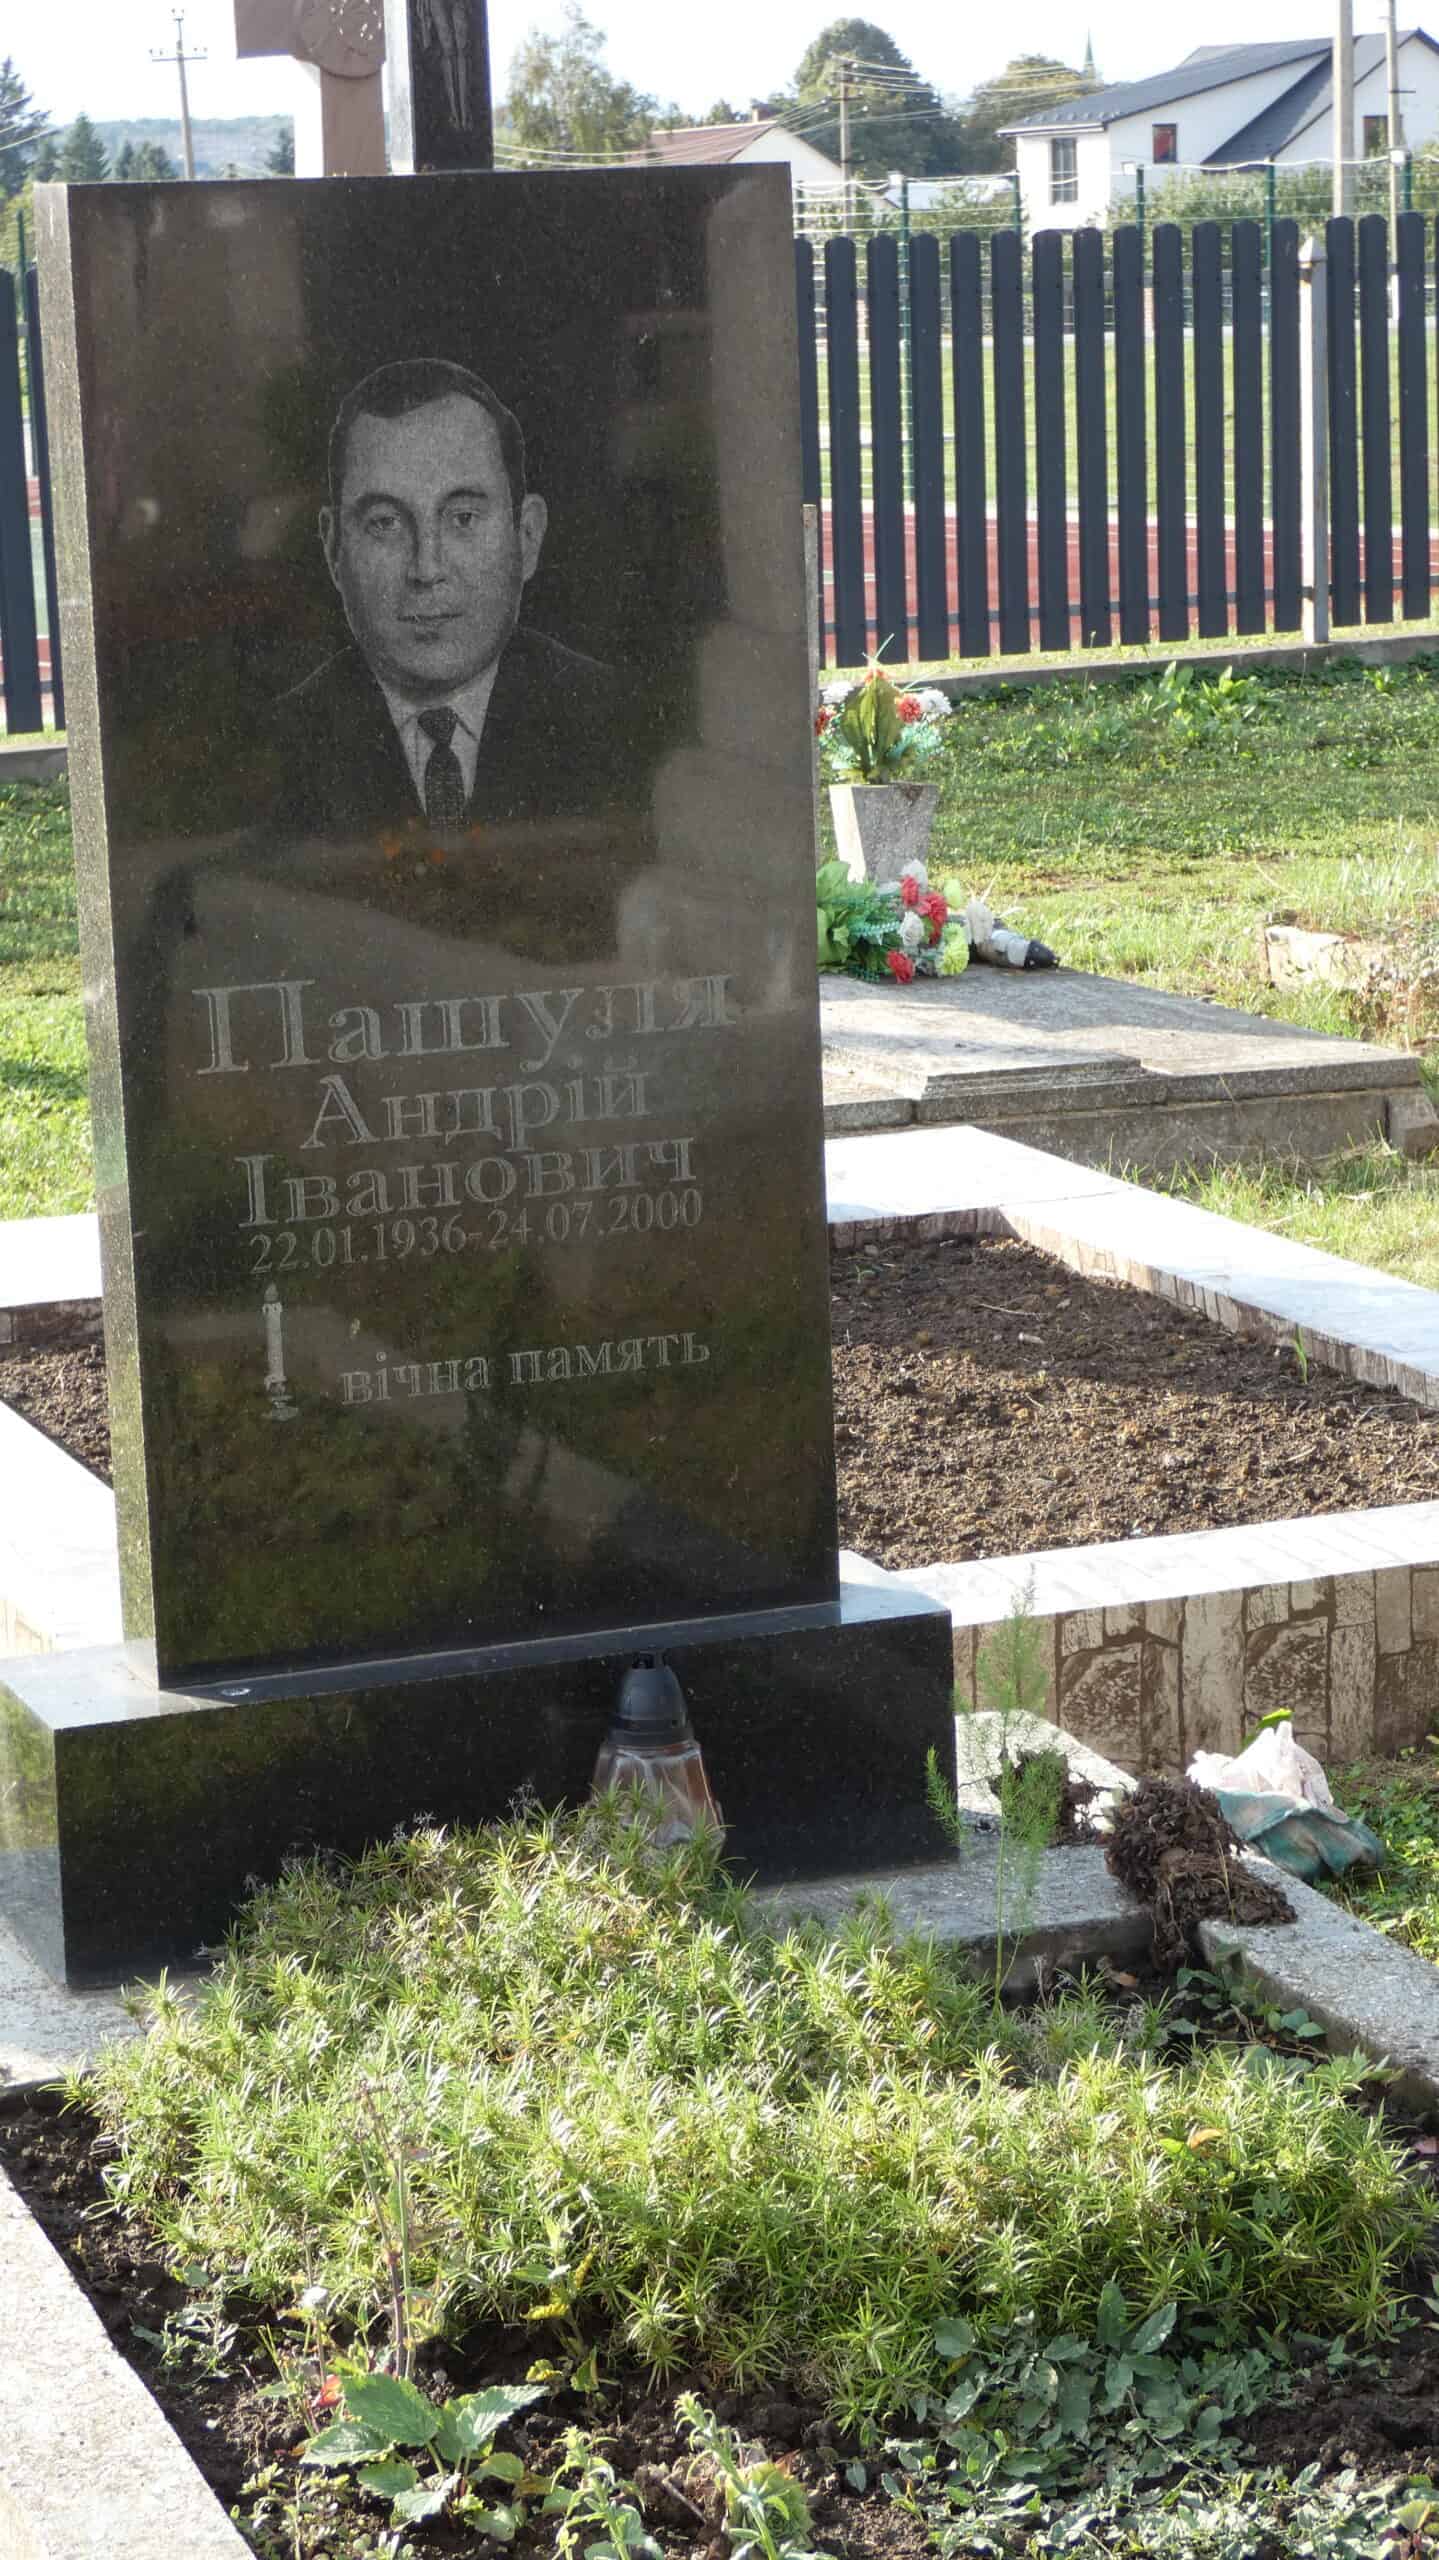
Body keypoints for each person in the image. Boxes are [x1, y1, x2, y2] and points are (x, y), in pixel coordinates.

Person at [273, 356, 620, 840]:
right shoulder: (274, 745)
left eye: (463, 518)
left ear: (527, 536)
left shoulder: (618, 719)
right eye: (385, 523)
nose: (427, 569)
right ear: (334, 549)